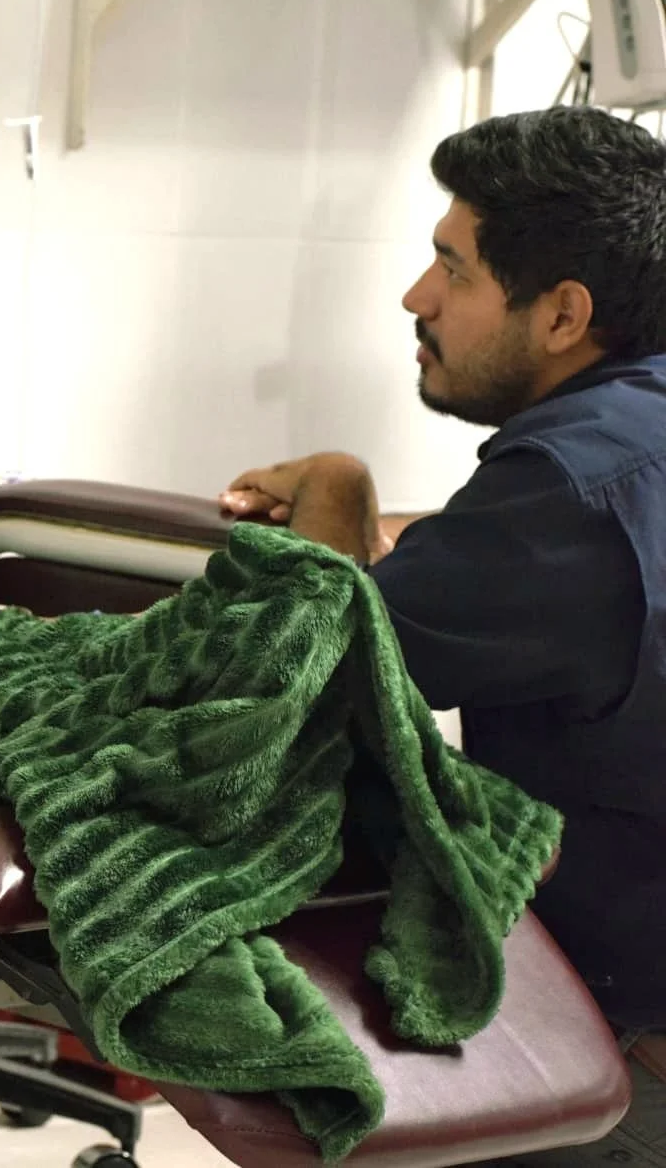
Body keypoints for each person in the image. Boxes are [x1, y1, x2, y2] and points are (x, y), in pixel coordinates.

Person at [221, 106, 666, 1165]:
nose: (416, 297)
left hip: (625, 1080)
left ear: (562, 315)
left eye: (452, 269)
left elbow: (300, 680)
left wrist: (337, 491)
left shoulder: (565, 492)